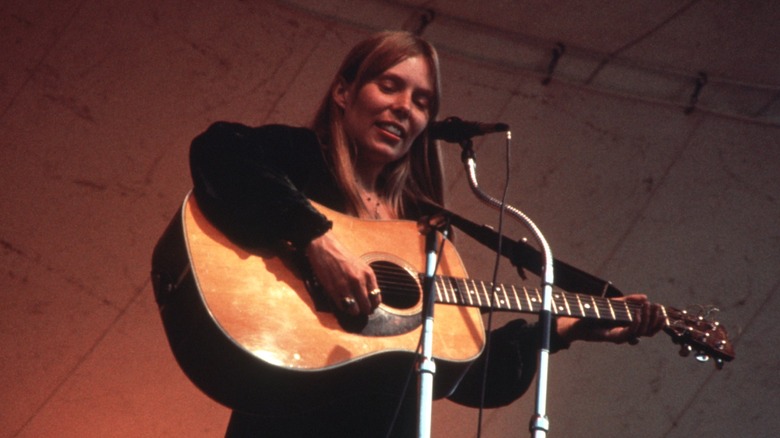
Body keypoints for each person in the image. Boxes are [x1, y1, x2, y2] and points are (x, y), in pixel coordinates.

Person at [188, 30, 665, 437]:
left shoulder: (425, 228)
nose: (404, 109)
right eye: (389, 86)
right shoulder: (300, 159)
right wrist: (318, 240)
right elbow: (218, 152)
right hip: (287, 417)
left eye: (422, 102)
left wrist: (563, 328)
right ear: (343, 92)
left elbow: (468, 373)